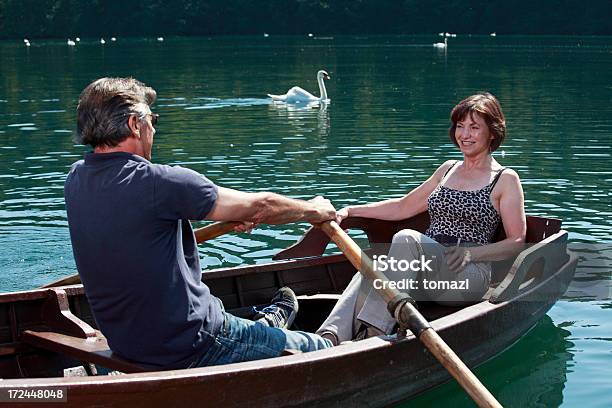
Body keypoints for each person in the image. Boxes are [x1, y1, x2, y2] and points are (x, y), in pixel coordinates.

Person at [64, 77, 335, 371]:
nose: (154, 128)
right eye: (151, 119)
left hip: (128, 343)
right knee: (321, 347)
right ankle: (284, 335)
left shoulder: (76, 178)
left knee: (237, 321)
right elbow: (263, 205)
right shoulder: (160, 183)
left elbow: (140, 220)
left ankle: (266, 325)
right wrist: (314, 210)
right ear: (134, 124)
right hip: (197, 341)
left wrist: (230, 214)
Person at [316, 92, 526, 345]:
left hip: (467, 274)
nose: (464, 135)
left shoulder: (505, 179)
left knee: (406, 238)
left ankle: (373, 335)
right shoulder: (447, 170)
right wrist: (351, 210)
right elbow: (403, 207)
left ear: (492, 133)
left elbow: (516, 240)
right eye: (460, 126)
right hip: (427, 270)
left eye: (474, 127)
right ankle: (328, 338)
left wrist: (473, 255)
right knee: (371, 269)